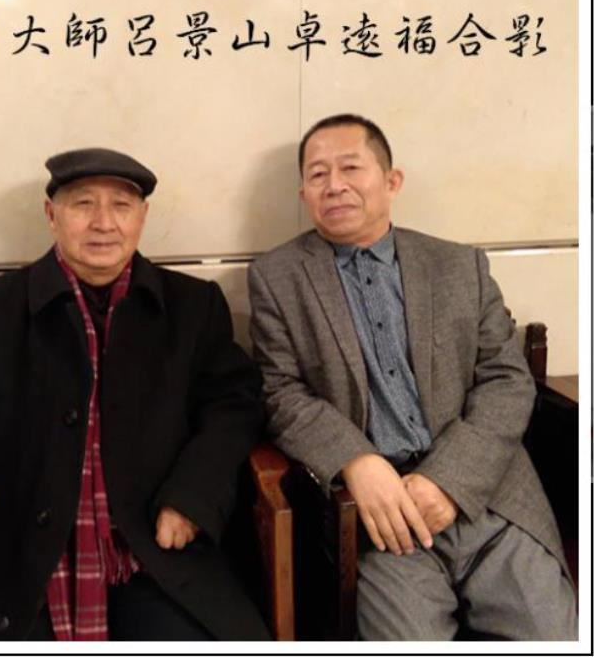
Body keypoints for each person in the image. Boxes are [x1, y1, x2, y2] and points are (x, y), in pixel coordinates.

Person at [0, 147, 269, 641]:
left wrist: (195, 496)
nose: (103, 223)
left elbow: (235, 405)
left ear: (143, 217)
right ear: (52, 215)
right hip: (19, 553)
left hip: (153, 551)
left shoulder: (193, 307)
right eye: (83, 204)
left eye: (121, 206)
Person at [247, 113, 577, 640]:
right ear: (303, 193)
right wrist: (356, 461)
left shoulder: (459, 265)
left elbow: (507, 380)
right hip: (384, 517)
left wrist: (448, 479)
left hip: (490, 498)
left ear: (391, 181)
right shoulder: (277, 277)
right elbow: (280, 392)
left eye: (351, 167)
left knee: (551, 634)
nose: (334, 185)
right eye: (317, 174)